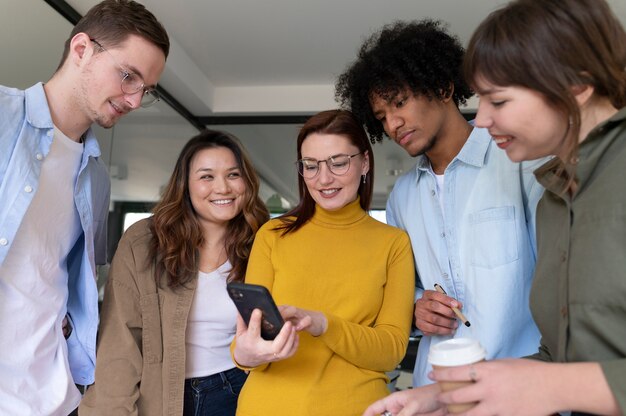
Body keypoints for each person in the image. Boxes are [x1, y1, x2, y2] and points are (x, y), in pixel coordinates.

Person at [364, 0, 626, 414]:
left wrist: (552, 389)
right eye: (381, 116)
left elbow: (559, 372)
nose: (481, 118)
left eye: (498, 101)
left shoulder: (534, 176)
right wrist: (436, 394)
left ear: (577, 84)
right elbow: (561, 352)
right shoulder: (558, 194)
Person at [335, 20, 544, 389]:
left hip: (520, 382)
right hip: (437, 389)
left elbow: (557, 274)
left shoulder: (518, 162)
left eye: (400, 103)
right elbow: (400, 286)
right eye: (381, 116)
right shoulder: (401, 196)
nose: (393, 124)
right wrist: (416, 307)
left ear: (444, 87)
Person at [0, 1, 169, 414]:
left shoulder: (96, 179)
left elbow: (65, 284)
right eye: (128, 76)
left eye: (145, 89)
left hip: (52, 398)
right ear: (81, 49)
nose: (133, 100)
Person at [231, 109, 415, 416]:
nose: (324, 179)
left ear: (365, 162)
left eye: (339, 163)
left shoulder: (393, 244)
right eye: (311, 166)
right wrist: (247, 355)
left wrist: (323, 324)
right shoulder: (273, 235)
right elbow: (248, 345)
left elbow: (391, 350)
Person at [79, 130, 269, 415]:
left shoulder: (265, 244)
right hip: (158, 394)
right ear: (186, 185)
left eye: (233, 175)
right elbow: (120, 340)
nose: (223, 188)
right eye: (207, 176)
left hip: (237, 390)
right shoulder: (144, 241)